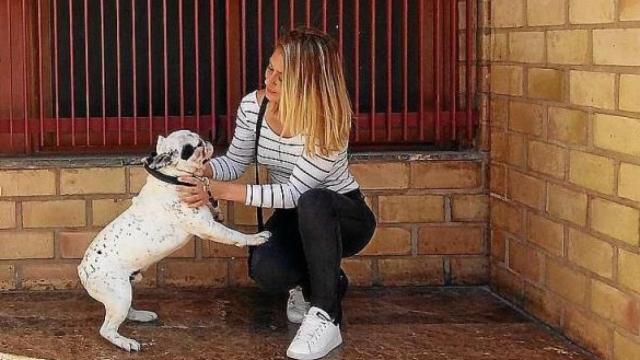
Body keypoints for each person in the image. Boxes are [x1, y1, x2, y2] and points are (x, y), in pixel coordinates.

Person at [177, 27, 376, 360]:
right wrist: (201, 170)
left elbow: (295, 193)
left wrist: (219, 191)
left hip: (341, 215)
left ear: (307, 82)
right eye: (270, 68)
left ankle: (326, 316)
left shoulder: (328, 123)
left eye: (282, 77)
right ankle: (320, 283)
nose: (269, 80)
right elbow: (236, 162)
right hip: (295, 215)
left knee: (313, 201)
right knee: (266, 269)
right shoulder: (253, 107)